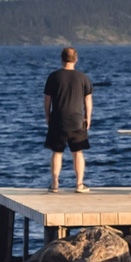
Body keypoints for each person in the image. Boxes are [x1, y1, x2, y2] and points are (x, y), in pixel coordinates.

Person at [43, 46, 92, 192]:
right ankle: (79, 184)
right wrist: (88, 117)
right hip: (77, 120)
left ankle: (55, 184)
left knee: (57, 152)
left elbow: (47, 100)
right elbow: (88, 100)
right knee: (78, 152)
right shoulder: (83, 77)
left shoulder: (54, 77)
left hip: (58, 120)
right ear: (76, 59)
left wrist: (48, 116)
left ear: (61, 59)